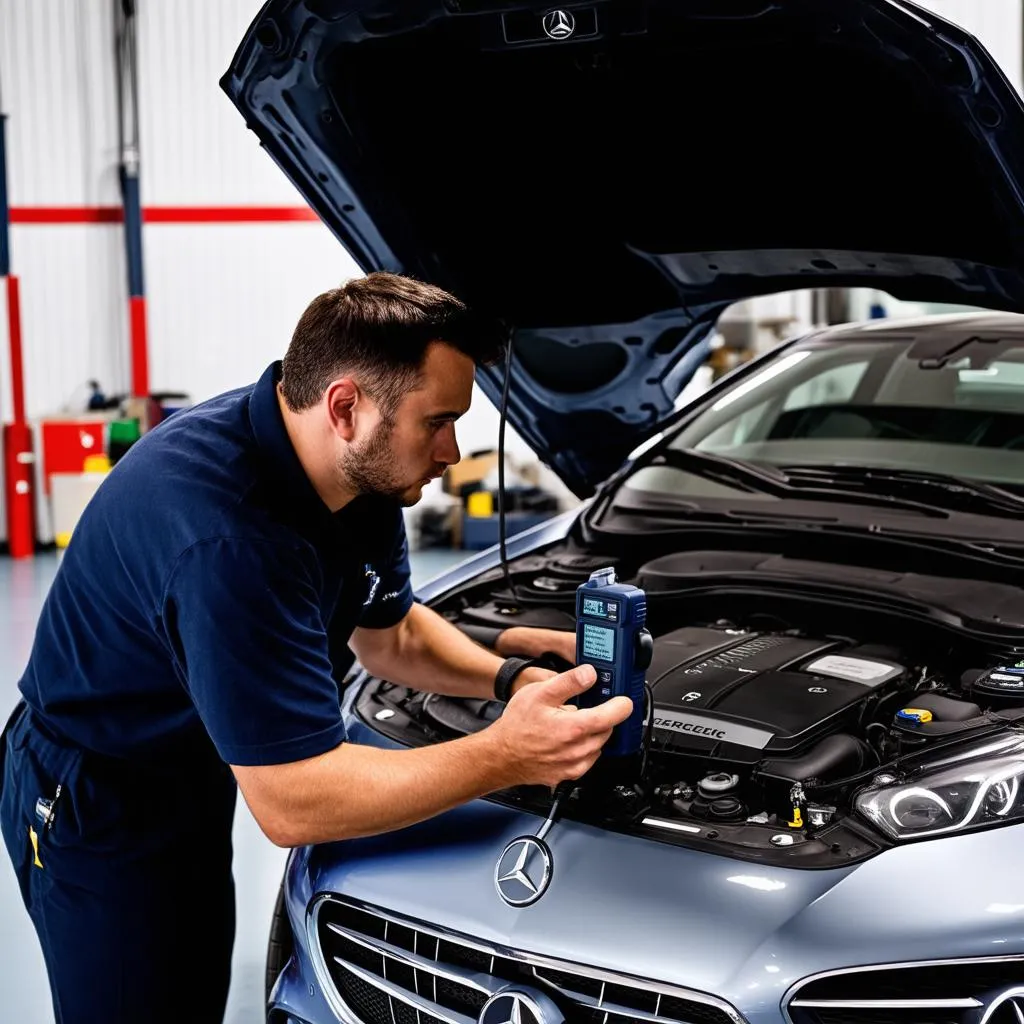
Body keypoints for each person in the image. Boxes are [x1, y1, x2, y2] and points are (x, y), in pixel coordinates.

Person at [0, 271, 632, 1024]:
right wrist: (508, 754)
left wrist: (509, 676)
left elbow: (390, 632)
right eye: (437, 421)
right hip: (94, 799)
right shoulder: (231, 539)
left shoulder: (353, 475)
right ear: (346, 407)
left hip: (192, 771)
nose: (452, 451)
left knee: (188, 984)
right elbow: (294, 801)